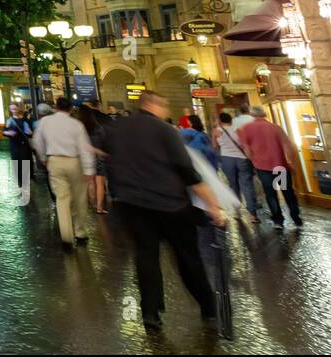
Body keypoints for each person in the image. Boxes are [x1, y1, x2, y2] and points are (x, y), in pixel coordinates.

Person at [104, 90, 225, 332]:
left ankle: (150, 312)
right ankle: (208, 306)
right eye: (165, 105)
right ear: (154, 105)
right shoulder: (164, 130)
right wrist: (213, 206)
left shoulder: (117, 128)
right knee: (187, 257)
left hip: (131, 204)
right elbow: (187, 171)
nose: (167, 110)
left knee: (145, 256)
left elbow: (105, 155)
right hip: (170, 204)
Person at [33, 97, 96, 248]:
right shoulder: (76, 124)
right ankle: (80, 232)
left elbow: (37, 142)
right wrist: (89, 169)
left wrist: (43, 158)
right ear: (70, 109)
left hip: (54, 161)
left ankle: (66, 236)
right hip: (74, 162)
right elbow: (84, 147)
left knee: (62, 198)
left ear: (56, 108)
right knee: (79, 198)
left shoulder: (45, 122)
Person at [237, 105, 303, 228]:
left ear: (252, 115)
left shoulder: (246, 129)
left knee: (270, 194)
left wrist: (254, 161)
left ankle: (278, 221)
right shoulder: (275, 127)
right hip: (280, 165)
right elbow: (287, 146)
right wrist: (290, 162)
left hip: (263, 167)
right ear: (264, 114)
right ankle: (296, 218)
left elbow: (246, 149)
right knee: (287, 192)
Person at [213, 111, 259, 223]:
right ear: (231, 120)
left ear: (220, 121)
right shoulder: (238, 130)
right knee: (247, 185)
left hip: (227, 159)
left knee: (233, 185)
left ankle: (237, 212)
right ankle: (253, 215)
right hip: (241, 159)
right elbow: (244, 144)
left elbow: (215, 146)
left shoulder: (216, 132)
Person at [76, 102, 111, 214]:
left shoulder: (79, 128)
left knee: (90, 182)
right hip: (99, 155)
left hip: (85, 156)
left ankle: (92, 202)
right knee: (100, 182)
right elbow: (104, 141)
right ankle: (99, 207)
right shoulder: (98, 127)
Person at [2, 102, 34, 193]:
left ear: (18, 109)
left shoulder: (25, 120)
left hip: (24, 145)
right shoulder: (9, 120)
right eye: (11, 109)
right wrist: (8, 133)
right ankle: (21, 184)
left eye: (15, 109)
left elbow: (30, 132)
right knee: (17, 164)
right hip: (15, 146)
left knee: (26, 163)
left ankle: (26, 182)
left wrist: (29, 132)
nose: (13, 111)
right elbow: (4, 132)